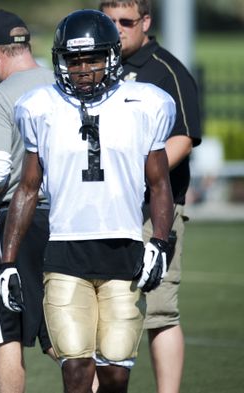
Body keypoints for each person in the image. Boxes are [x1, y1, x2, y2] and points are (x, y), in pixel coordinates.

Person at [0, 9, 176, 393]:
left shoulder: (145, 103)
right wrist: (8, 262)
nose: (81, 69)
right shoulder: (40, 108)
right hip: (64, 252)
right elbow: (28, 188)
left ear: (110, 57)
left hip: (122, 249)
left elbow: (160, 183)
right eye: (73, 60)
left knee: (115, 370)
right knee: (75, 366)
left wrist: (160, 242)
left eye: (91, 58)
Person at [99, 2, 202, 392]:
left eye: (126, 22)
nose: (117, 30)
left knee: (159, 312)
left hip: (152, 210)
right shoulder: (92, 66)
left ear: (146, 23)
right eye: (109, 21)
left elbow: (184, 137)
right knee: (101, 309)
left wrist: (136, 178)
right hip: (103, 211)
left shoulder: (166, 70)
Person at [0, 9, 55, 393]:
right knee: (68, 337)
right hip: (69, 219)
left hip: (18, 223)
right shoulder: (62, 84)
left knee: (8, 332)